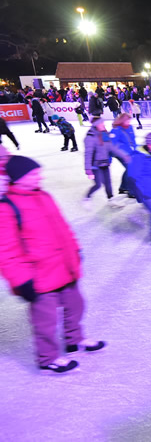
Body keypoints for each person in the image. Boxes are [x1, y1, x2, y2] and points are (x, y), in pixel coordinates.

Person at [0, 156, 105, 374]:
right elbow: (5, 250)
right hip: (38, 275)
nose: (40, 176)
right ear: (19, 179)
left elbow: (63, 227)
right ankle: (47, 358)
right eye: (34, 174)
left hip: (64, 265)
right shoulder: (7, 208)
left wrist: (75, 250)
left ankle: (74, 340)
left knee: (76, 305)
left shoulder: (44, 195)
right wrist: (21, 280)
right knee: (45, 321)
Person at [84, 118, 130, 206]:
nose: (104, 125)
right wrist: (88, 169)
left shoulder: (104, 134)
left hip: (104, 163)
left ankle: (111, 199)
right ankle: (87, 197)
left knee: (108, 183)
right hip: (95, 165)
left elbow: (112, 148)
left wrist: (124, 156)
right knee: (98, 184)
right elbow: (88, 154)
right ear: (96, 125)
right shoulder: (90, 137)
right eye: (102, 124)